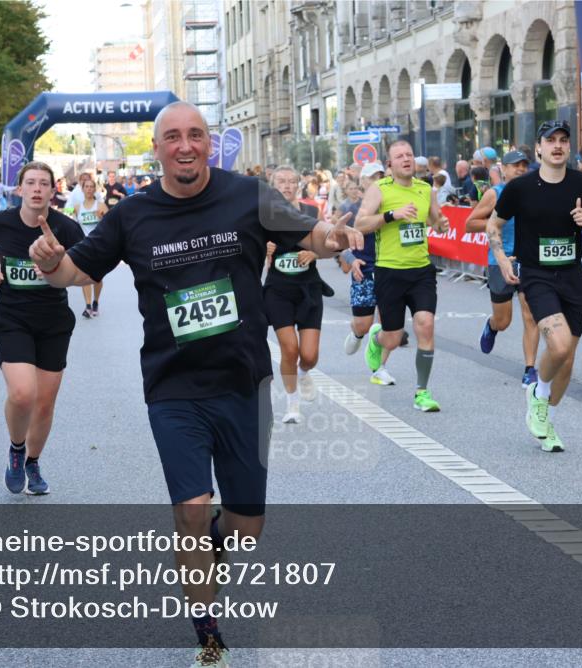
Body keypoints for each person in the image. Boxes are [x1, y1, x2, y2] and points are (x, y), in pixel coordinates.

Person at [27, 101, 361, 667]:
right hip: (174, 387)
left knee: (246, 528)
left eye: (196, 136)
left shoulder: (246, 195)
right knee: (190, 506)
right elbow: (74, 272)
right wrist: (48, 262)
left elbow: (314, 237)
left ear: (209, 144)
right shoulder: (132, 215)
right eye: (173, 137)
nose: (185, 145)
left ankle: (207, 543)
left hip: (244, 382)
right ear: (156, 149)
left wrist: (334, 236)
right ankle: (207, 633)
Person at [486, 120, 582, 452]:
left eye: (563, 140)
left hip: (572, 276)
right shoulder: (521, 187)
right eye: (550, 140)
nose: (557, 145)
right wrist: (501, 259)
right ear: (539, 148)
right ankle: (538, 394)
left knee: (567, 360)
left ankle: (546, 417)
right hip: (537, 275)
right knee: (557, 347)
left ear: (569, 148)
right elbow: (493, 225)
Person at [0, 161, 85, 497]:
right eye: (30, 183)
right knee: (23, 394)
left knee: (45, 404)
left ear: (53, 191)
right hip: (12, 317)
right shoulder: (1, 222)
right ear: (19, 189)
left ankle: (33, 462)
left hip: (53, 321)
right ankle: (17, 450)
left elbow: (88, 268)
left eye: (44, 184)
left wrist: (57, 270)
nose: (37, 189)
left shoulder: (66, 228)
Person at [355, 139, 449, 412]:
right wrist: (391, 215)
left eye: (409, 154)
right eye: (400, 156)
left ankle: (422, 391)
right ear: (390, 164)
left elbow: (435, 221)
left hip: (421, 270)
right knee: (393, 337)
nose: (406, 159)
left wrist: (441, 224)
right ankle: (376, 339)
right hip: (389, 271)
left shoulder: (425, 189)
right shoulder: (379, 189)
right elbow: (360, 224)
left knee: (425, 325)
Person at [465, 150, 540, 385]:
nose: (519, 169)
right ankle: (492, 326)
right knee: (504, 320)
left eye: (523, 165)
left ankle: (530, 369)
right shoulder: (494, 194)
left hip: (529, 260)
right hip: (500, 260)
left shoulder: (535, 192)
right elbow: (469, 224)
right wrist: (496, 222)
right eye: (514, 165)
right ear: (503, 169)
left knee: (531, 315)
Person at [264, 166, 326, 423]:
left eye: (291, 181)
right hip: (278, 290)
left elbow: (326, 242)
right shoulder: (264, 216)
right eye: (281, 181)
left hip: (309, 288)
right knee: (289, 349)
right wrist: (263, 248)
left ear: (298, 185)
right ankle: (292, 405)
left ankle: (304, 372)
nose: (287, 186)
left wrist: (315, 252)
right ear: (272, 185)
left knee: (309, 356)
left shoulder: (311, 212)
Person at [341, 162, 398, 385]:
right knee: (363, 324)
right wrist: (351, 259)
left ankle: (379, 368)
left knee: (388, 323)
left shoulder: (393, 206)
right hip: (363, 271)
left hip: (390, 270)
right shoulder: (353, 210)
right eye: (373, 177)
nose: (378, 181)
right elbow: (338, 245)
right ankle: (357, 333)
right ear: (363, 182)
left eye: (381, 177)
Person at [73, 176, 108, 318]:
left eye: (91, 187)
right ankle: (87, 306)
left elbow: (110, 224)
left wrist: (101, 218)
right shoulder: (77, 207)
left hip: (98, 245)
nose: (89, 189)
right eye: (86, 187)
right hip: (84, 245)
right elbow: (71, 222)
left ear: (94, 189)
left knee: (97, 277)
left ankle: (95, 302)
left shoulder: (100, 206)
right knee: (84, 276)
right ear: (82, 189)